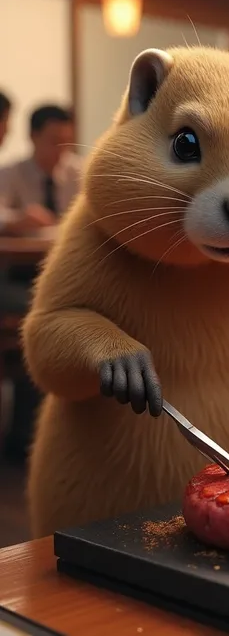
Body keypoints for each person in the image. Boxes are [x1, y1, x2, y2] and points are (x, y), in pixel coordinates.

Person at [0, 104, 83, 462]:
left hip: (66, 273)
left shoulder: (79, 174)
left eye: (67, 142)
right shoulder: (12, 173)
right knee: (39, 318)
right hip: (20, 277)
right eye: (53, 141)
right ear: (32, 137)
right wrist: (18, 218)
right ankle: (25, 438)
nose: (61, 150)